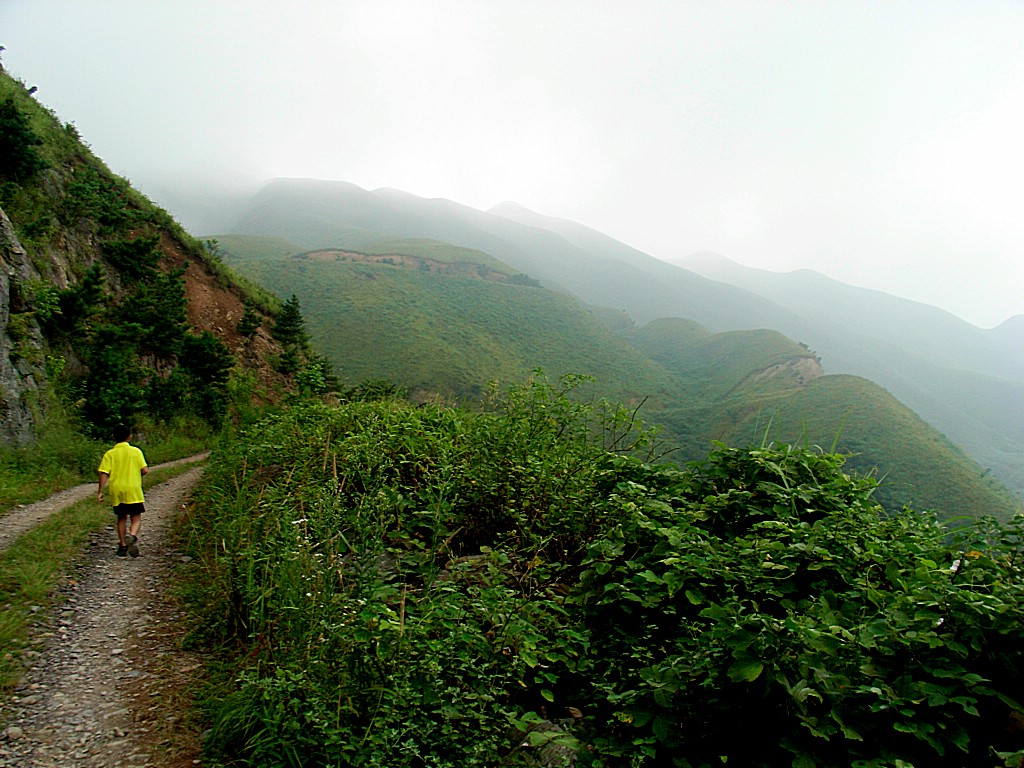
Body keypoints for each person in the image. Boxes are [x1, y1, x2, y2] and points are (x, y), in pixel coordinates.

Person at [97, 424, 149, 557]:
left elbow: (104, 473)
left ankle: (122, 546)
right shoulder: (136, 452)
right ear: (130, 436)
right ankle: (132, 535)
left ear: (113, 437)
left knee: (121, 517)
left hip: (117, 489)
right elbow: (144, 470)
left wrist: (100, 491)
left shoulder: (110, 454)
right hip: (133, 488)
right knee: (136, 517)